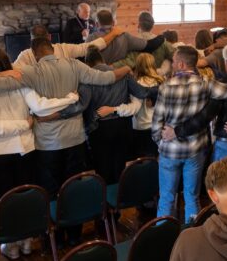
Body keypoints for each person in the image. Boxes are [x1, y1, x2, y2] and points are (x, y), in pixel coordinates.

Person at [0, 38, 132, 245]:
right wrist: (127, 68)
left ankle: (55, 238)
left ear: (34, 54)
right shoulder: (74, 65)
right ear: (52, 50)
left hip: (47, 144)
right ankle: (75, 235)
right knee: (73, 188)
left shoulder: (32, 71)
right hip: (75, 140)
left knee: (50, 191)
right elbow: (106, 78)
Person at [0, 48, 78, 260]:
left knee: (7, 201)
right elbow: (41, 106)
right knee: (26, 197)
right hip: (26, 149)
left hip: (0, 153)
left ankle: (12, 244)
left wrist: (69, 99)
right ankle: (26, 241)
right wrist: (69, 98)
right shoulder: (19, 82)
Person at [152, 46, 227, 223]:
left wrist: (160, 143)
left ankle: (164, 240)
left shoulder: (165, 87)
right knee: (192, 197)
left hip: (169, 151)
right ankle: (192, 235)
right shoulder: (206, 83)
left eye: (173, 61)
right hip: (196, 149)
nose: (172, 64)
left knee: (166, 198)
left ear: (180, 63)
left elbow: (156, 123)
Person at [54, 46, 153, 185]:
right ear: (103, 60)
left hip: (99, 128)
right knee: (120, 167)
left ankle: (105, 202)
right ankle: (118, 200)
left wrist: (57, 114)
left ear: (88, 64)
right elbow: (142, 93)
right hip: (122, 125)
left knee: (102, 169)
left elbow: (81, 105)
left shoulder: (88, 77)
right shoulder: (122, 74)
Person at [13, 23, 121, 68]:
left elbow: (12, 72)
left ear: (31, 40)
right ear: (49, 37)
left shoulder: (25, 55)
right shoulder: (64, 48)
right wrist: (114, 33)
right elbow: (89, 47)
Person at [88, 10, 165, 66]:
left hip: (97, 78)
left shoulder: (90, 39)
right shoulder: (125, 36)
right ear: (113, 22)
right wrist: (162, 37)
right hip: (119, 78)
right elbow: (149, 46)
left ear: (97, 24)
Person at [129, 52, 165, 158]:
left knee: (142, 162)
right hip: (158, 125)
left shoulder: (136, 84)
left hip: (140, 126)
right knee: (156, 159)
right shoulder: (161, 81)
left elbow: (134, 106)